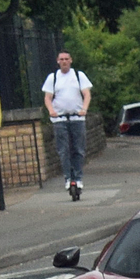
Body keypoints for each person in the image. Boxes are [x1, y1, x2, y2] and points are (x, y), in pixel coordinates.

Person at [39, 51, 93, 200]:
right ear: (57, 61)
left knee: (78, 150)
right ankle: (68, 179)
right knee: (63, 151)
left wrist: (84, 110)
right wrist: (51, 111)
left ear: (71, 61)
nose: (64, 62)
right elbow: (48, 97)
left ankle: (78, 178)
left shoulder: (78, 76)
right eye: (61, 59)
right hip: (60, 120)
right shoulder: (53, 78)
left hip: (77, 118)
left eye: (66, 59)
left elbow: (87, 94)